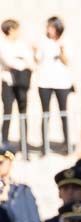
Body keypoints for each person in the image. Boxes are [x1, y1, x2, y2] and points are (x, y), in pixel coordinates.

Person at [34, 17, 72, 156]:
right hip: (44, 82)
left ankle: (67, 145)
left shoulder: (65, 41)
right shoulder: (43, 41)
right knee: (45, 114)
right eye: (48, 26)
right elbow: (37, 59)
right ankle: (44, 147)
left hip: (62, 83)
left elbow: (67, 61)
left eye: (51, 27)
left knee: (63, 113)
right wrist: (35, 51)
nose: (49, 29)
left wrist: (61, 50)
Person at [1, 20, 34, 151]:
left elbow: (30, 60)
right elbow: (8, 60)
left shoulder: (22, 44)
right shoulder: (2, 44)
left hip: (22, 83)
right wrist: (21, 61)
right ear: (10, 30)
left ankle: (24, 143)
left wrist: (20, 61)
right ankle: (4, 142)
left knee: (23, 112)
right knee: (7, 111)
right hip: (8, 82)